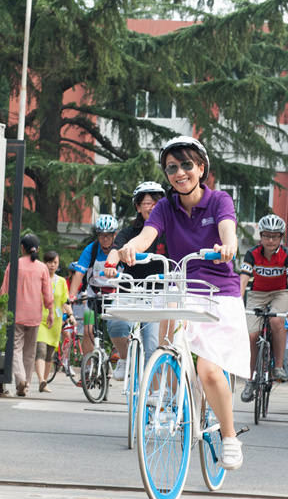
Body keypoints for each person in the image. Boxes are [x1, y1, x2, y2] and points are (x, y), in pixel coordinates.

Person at [107, 135, 248, 470]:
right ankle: (174, 393)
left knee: (210, 370)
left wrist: (227, 246)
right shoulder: (164, 207)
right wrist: (131, 250)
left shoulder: (218, 201)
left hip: (219, 293)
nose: (180, 172)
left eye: (187, 164)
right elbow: (146, 236)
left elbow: (229, 230)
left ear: (201, 168)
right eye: (172, 167)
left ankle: (229, 436)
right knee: (165, 339)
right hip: (182, 286)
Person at [105, 181, 168, 381]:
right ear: (138, 207)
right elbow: (116, 250)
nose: (152, 208)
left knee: (151, 345)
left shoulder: (168, 232)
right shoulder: (128, 232)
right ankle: (124, 358)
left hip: (157, 294)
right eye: (147, 203)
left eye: (157, 203)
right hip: (129, 291)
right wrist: (110, 264)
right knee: (116, 324)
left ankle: (152, 394)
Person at [239, 214, 288, 402]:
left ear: (281, 237)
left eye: (275, 236)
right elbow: (243, 280)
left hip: (280, 293)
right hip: (257, 295)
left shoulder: (287, 255)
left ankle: (279, 366)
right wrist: (237, 301)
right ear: (260, 236)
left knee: (276, 320)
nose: (270, 240)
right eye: (266, 236)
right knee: (252, 335)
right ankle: (250, 379)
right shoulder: (252, 254)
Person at [1, 234, 54, 396]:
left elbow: (4, 290)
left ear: (22, 248)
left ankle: (21, 379)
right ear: (37, 249)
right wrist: (50, 312)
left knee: (16, 348)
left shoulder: (14, 265)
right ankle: (26, 384)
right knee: (30, 352)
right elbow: (48, 293)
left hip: (16, 313)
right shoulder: (42, 267)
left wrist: (2, 310)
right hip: (35, 315)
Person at [69, 214, 119, 356]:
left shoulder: (119, 249)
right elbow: (79, 273)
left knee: (115, 327)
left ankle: (117, 352)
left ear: (114, 235)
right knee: (87, 330)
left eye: (108, 235)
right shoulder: (90, 250)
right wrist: (72, 296)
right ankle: (88, 368)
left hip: (115, 295)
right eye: (101, 235)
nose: (105, 239)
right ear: (97, 235)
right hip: (93, 294)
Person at [35, 251, 73, 392]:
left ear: (58, 264)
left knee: (49, 354)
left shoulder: (62, 282)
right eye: (49, 262)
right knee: (40, 350)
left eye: (55, 262)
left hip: (55, 322)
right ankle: (41, 380)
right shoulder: (39, 279)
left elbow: (65, 301)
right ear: (44, 263)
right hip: (40, 320)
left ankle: (44, 383)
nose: (52, 265)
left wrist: (71, 315)